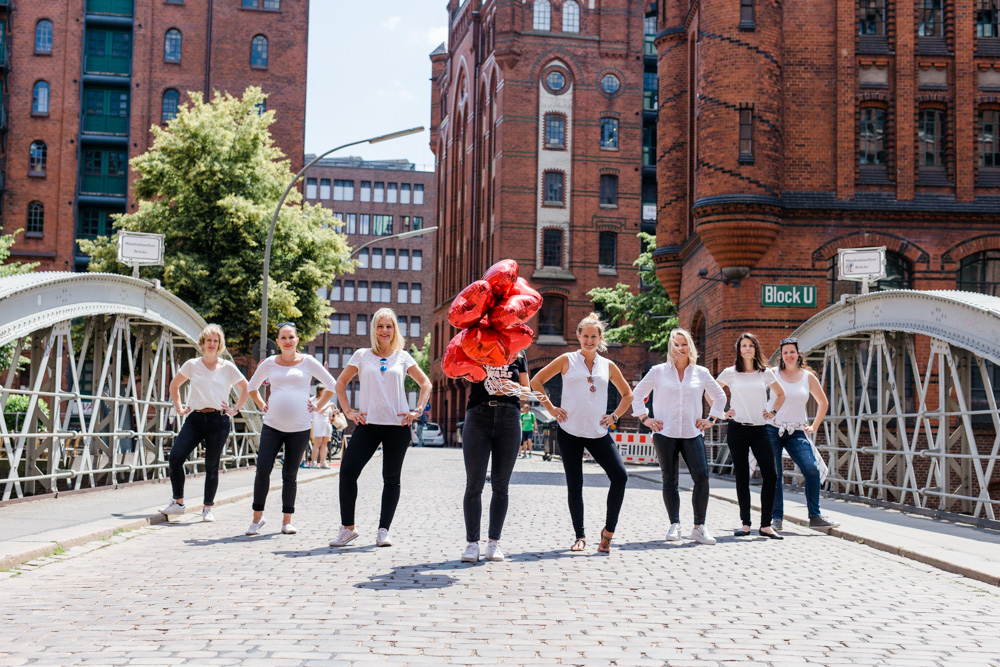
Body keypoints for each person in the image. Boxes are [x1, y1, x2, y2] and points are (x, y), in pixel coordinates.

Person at [329, 308, 432, 548]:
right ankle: (348, 528)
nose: (385, 331)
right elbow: (340, 384)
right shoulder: (362, 355)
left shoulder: (403, 356)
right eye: (380, 326)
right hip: (368, 425)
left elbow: (425, 383)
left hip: (398, 426)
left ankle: (383, 530)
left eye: (389, 326)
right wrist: (349, 412)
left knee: (391, 478)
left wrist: (417, 410)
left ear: (394, 330)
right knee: (348, 472)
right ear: (374, 330)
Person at [530, 313, 633, 553]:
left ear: (600, 338)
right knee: (575, 485)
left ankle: (608, 533)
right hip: (570, 431)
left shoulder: (608, 365)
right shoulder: (567, 359)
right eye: (585, 336)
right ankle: (580, 536)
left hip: (598, 432)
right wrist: (551, 409)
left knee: (620, 476)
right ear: (578, 336)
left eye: (593, 336)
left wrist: (614, 415)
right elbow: (536, 381)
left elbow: (628, 394)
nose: (589, 340)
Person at [631, 328, 726, 545]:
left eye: (684, 344)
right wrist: (646, 419)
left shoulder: (700, 373)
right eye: (676, 345)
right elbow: (637, 395)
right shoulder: (658, 371)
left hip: (693, 433)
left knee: (702, 476)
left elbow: (719, 396)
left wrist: (711, 419)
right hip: (665, 432)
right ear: (670, 347)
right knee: (669, 479)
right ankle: (675, 524)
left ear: (690, 346)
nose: (680, 349)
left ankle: (699, 527)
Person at [246, 323, 337, 536]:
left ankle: (287, 521)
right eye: (283, 338)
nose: (287, 341)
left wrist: (318, 406)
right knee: (262, 470)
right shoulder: (269, 363)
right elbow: (252, 387)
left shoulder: (308, 362)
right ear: (277, 342)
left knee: (290, 474)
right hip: (272, 426)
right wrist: (261, 404)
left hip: (300, 427)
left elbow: (331, 385)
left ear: (297, 340)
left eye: (291, 337)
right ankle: (257, 518)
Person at [161, 324, 249, 522]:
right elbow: (174, 385)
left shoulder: (227, 367)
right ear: (202, 342)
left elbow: (247, 388)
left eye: (216, 341)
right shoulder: (192, 365)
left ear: (220, 345)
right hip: (195, 419)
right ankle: (178, 503)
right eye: (209, 340)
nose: (212, 344)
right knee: (176, 457)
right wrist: (178, 406)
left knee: (211, 465)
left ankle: (207, 508)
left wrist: (236, 409)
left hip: (218, 420)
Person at [459, 350, 531, 563]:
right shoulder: (477, 343)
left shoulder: (519, 352)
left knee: (501, 485)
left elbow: (527, 392)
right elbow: (463, 373)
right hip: (477, 417)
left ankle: (493, 543)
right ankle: (472, 544)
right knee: (474, 484)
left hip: (509, 418)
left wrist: (512, 388)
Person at [715, 333, 786, 539]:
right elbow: (710, 391)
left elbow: (781, 395)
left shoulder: (765, 373)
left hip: (760, 429)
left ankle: (766, 525)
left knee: (771, 475)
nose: (747, 349)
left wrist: (772, 412)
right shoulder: (730, 373)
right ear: (739, 349)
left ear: (756, 349)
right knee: (742, 476)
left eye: (751, 345)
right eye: (743, 346)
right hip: (737, 429)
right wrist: (721, 412)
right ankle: (746, 524)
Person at [767, 337, 840, 531]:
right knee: (775, 473)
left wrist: (814, 426)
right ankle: (776, 518)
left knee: (811, 468)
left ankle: (815, 516)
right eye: (785, 352)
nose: (789, 355)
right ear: (781, 356)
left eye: (792, 352)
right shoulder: (773, 374)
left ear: (798, 354)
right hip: (772, 428)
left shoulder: (808, 377)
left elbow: (823, 403)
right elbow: (754, 393)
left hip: (797, 430)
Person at [307, 385, 335, 469]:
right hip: (318, 422)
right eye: (324, 390)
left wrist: (334, 414)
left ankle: (323, 462)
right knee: (317, 443)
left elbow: (330, 416)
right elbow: (319, 411)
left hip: (326, 422)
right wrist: (329, 405)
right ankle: (314, 462)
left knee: (325, 443)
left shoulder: (327, 400)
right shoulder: (314, 400)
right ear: (319, 391)